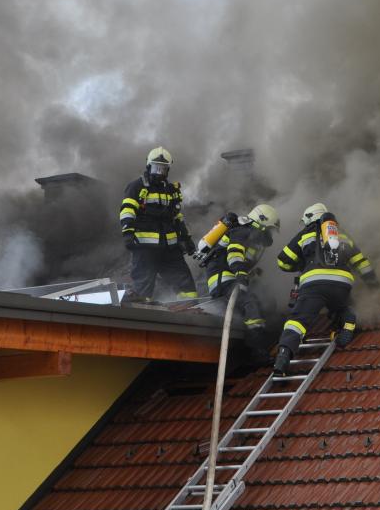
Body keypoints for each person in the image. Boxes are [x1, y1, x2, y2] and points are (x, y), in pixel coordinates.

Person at [273, 203, 377, 374]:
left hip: (314, 285)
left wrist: (303, 264)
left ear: (309, 219)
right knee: (339, 305)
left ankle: (283, 357)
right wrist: (374, 285)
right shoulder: (342, 235)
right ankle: (347, 317)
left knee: (297, 320)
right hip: (342, 284)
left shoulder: (305, 234)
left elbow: (283, 261)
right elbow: (361, 262)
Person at [118, 147, 199, 305]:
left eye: (163, 169)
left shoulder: (171, 191)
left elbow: (177, 217)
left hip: (170, 249)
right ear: (149, 166)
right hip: (145, 249)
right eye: (156, 168)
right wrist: (128, 233)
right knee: (143, 290)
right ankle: (141, 316)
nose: (160, 172)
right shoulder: (137, 186)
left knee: (186, 285)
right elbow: (127, 210)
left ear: (168, 170)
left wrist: (186, 238)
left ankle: (190, 311)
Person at [202, 204, 281, 363]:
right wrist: (240, 273)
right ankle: (258, 352)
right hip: (223, 279)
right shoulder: (242, 231)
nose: (269, 234)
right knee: (250, 303)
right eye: (269, 229)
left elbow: (244, 260)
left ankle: (269, 338)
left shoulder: (253, 239)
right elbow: (234, 253)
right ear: (261, 222)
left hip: (234, 277)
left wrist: (249, 273)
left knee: (267, 299)